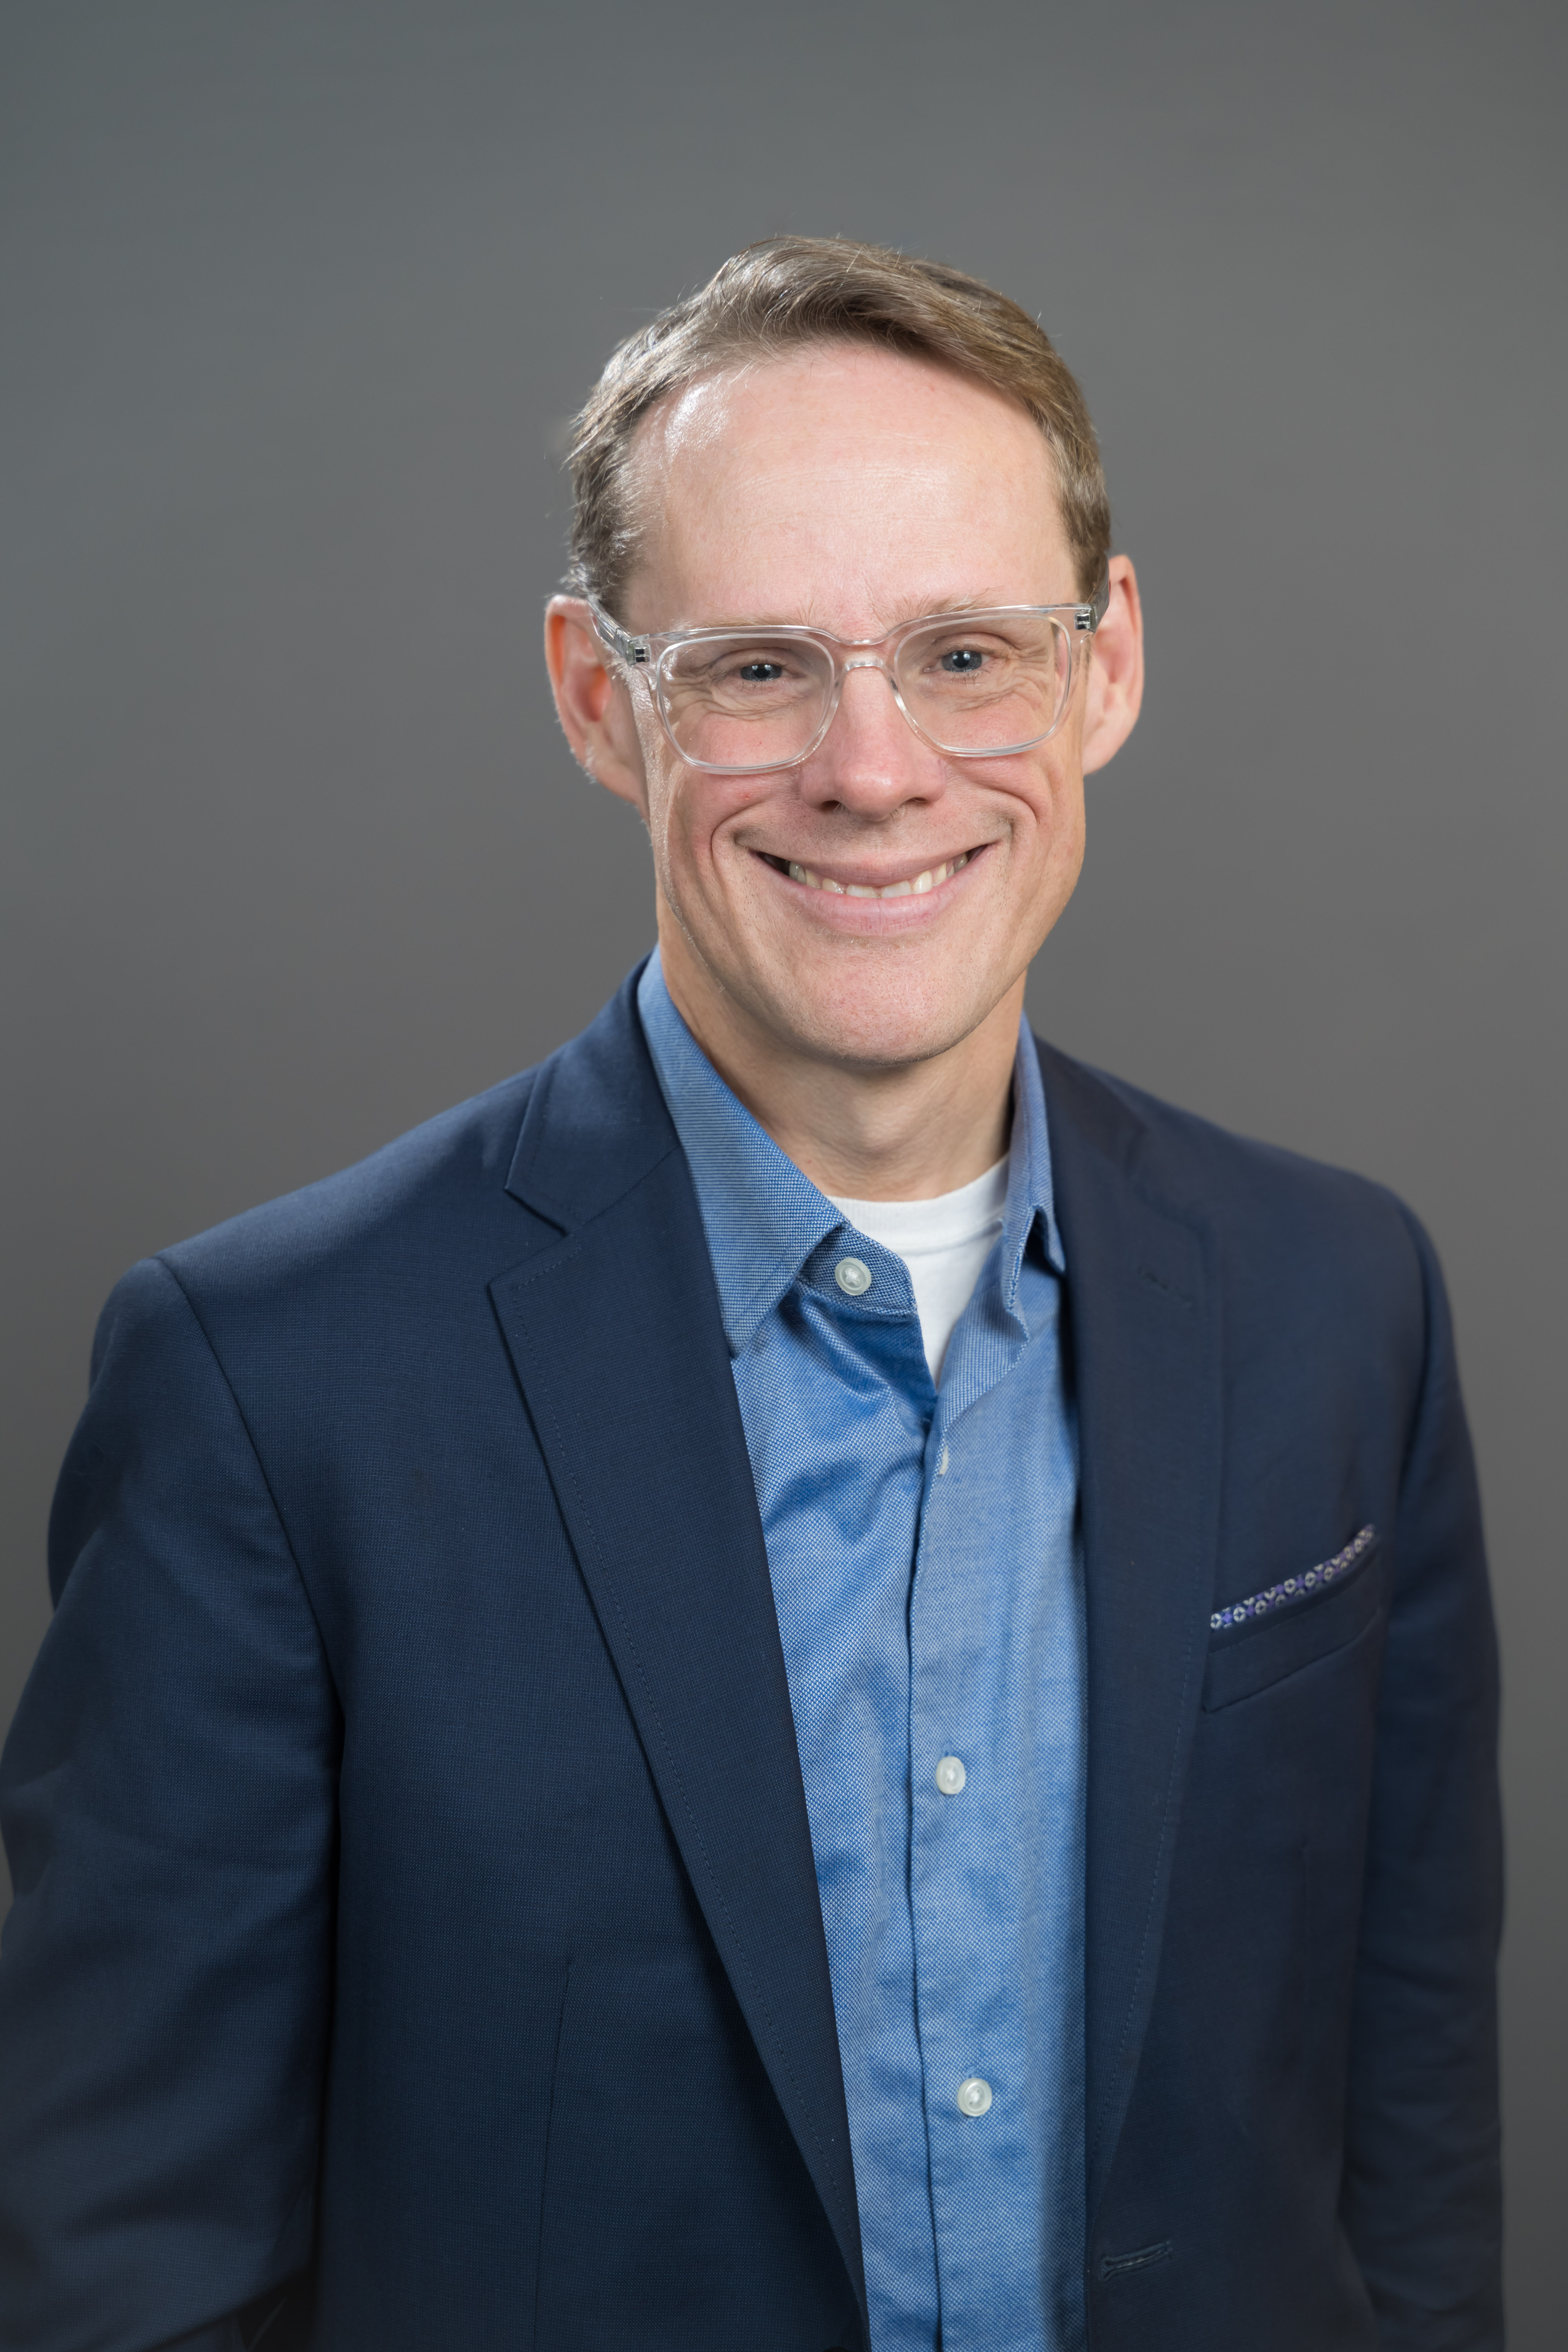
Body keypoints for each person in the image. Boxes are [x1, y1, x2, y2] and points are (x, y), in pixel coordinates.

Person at [0, 237, 1502, 2352]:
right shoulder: (272, 1388)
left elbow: (1409, 2160)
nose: (874, 770)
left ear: (1108, 666)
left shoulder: (1345, 1302)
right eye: (760, 667)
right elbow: (131, 2279)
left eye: (968, 652)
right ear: (600, 697)